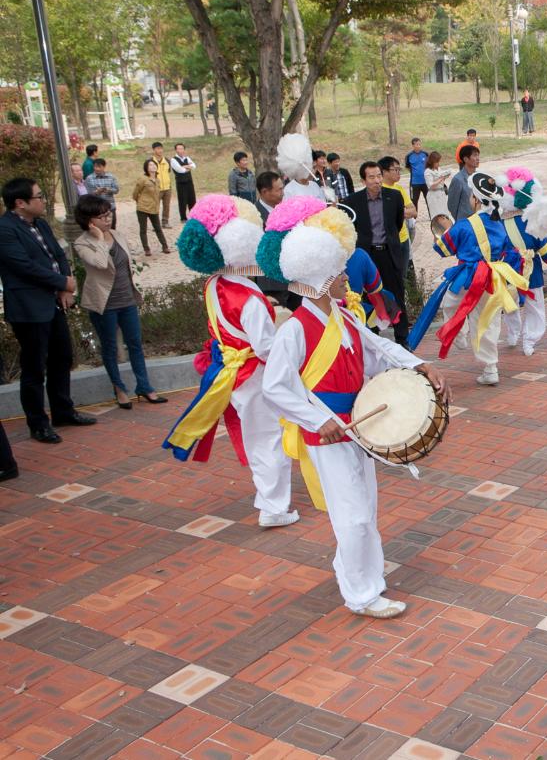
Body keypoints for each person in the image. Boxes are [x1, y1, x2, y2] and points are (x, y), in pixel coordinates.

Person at [259, 196, 452, 618]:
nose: (348, 275)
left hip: (358, 425)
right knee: (354, 514)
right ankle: (362, 594)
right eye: (340, 270)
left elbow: (378, 346)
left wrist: (419, 364)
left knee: (365, 508)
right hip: (330, 432)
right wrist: (320, 419)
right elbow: (275, 386)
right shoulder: (295, 329)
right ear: (322, 278)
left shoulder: (342, 318)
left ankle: (363, 578)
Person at [164, 195, 297, 527]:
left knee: (256, 437)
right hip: (255, 374)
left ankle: (268, 498)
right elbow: (265, 347)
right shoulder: (249, 297)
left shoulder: (212, 285)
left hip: (231, 373)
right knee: (269, 439)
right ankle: (274, 507)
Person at [0, 179, 95, 444]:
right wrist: (61, 282)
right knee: (34, 367)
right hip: (28, 309)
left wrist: (66, 286)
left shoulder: (40, 224)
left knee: (62, 358)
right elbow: (24, 267)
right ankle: (38, 423)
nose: (44, 200)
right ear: (20, 203)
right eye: (39, 196)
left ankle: (63, 411)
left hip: (54, 303)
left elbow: (58, 255)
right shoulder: (5, 230)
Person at [408, 172, 523, 385]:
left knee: (450, 304)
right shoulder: (499, 224)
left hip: (468, 277)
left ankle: (459, 334)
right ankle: (490, 369)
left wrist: (438, 234)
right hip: (492, 279)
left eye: (472, 196)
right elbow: (511, 251)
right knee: (488, 320)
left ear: (477, 200)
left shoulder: (463, 225)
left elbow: (443, 249)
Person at [72, 195, 167, 410]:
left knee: (135, 344)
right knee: (110, 347)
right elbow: (99, 263)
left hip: (127, 299)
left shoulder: (117, 235)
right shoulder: (82, 242)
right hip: (104, 303)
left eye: (109, 213)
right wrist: (98, 239)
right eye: (101, 216)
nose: (107, 219)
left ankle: (144, 386)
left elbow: (128, 264)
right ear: (89, 221)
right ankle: (119, 389)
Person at [498, 167, 547, 356]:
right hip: (526, 269)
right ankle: (528, 339)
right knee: (534, 303)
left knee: (510, 303)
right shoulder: (530, 220)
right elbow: (545, 244)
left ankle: (515, 334)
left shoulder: (499, 221)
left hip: (508, 269)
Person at [347, 162, 409, 344]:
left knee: (397, 294)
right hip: (368, 255)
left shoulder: (394, 196)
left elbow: (397, 224)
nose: (377, 181)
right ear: (363, 180)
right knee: (368, 297)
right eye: (372, 177)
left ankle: (403, 338)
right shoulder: (353, 201)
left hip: (389, 254)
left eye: (379, 176)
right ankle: (372, 338)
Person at [252, 172, 291, 306]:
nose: (282, 193)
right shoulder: (254, 215)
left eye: (282, 188)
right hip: (271, 282)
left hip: (292, 278)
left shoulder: (285, 209)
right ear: (264, 192)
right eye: (279, 190)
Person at [377, 155, 416, 270]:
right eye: (395, 170)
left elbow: (413, 211)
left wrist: (397, 212)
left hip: (404, 237)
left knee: (403, 274)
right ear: (384, 172)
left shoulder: (399, 188)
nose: (399, 173)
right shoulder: (379, 191)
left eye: (399, 169)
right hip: (389, 241)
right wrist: (402, 211)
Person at [133, 159, 169, 255]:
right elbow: (135, 193)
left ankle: (165, 246)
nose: (153, 166)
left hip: (154, 208)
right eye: (150, 165)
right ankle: (146, 249)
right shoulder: (143, 179)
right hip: (142, 208)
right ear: (146, 168)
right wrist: (140, 201)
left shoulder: (157, 180)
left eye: (154, 165)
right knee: (143, 229)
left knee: (158, 228)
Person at [278, 134, 327, 202]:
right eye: (313, 167)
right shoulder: (289, 190)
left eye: (316, 167)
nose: (315, 171)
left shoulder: (315, 186)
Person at [447, 145, 480, 224]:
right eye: (475, 155)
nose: (478, 158)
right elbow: (452, 205)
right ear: (465, 159)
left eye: (478, 155)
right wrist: (461, 221)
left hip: (478, 220)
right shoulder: (458, 180)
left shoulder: (479, 177)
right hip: (465, 222)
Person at [84, 158, 120, 228]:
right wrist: (96, 192)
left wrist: (108, 190)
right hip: (96, 208)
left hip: (110, 206)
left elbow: (116, 190)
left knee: (112, 226)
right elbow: (87, 194)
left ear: (104, 167)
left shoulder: (111, 177)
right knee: (99, 227)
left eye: (99, 166)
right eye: (95, 166)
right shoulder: (89, 178)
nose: (97, 169)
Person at [422, 151, 452, 232]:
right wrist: (441, 179)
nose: (438, 164)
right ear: (432, 161)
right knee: (438, 217)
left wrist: (445, 176)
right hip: (434, 195)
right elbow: (430, 185)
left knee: (445, 215)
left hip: (442, 193)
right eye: (437, 162)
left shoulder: (438, 169)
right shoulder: (427, 171)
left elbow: (440, 179)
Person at [170, 143, 198, 221]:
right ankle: (183, 217)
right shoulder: (173, 160)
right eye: (178, 149)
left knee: (192, 199)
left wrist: (185, 166)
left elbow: (194, 166)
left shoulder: (187, 158)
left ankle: (193, 216)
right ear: (176, 150)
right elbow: (180, 170)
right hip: (181, 183)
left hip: (189, 181)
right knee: (182, 200)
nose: (180, 150)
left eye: (182, 149)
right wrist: (187, 167)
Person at [152, 142, 174, 227]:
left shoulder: (167, 160)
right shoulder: (151, 161)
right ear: (154, 150)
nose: (160, 150)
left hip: (167, 187)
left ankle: (165, 222)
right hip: (156, 188)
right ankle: (156, 224)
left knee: (166, 206)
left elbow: (168, 172)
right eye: (157, 149)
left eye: (161, 148)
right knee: (155, 207)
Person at [405, 138, 429, 208]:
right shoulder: (409, 156)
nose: (418, 146)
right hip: (414, 183)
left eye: (419, 144)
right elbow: (407, 167)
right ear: (413, 145)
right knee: (414, 202)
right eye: (417, 144)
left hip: (426, 182)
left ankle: (433, 218)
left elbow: (429, 165)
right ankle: (414, 219)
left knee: (429, 201)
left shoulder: (425, 154)